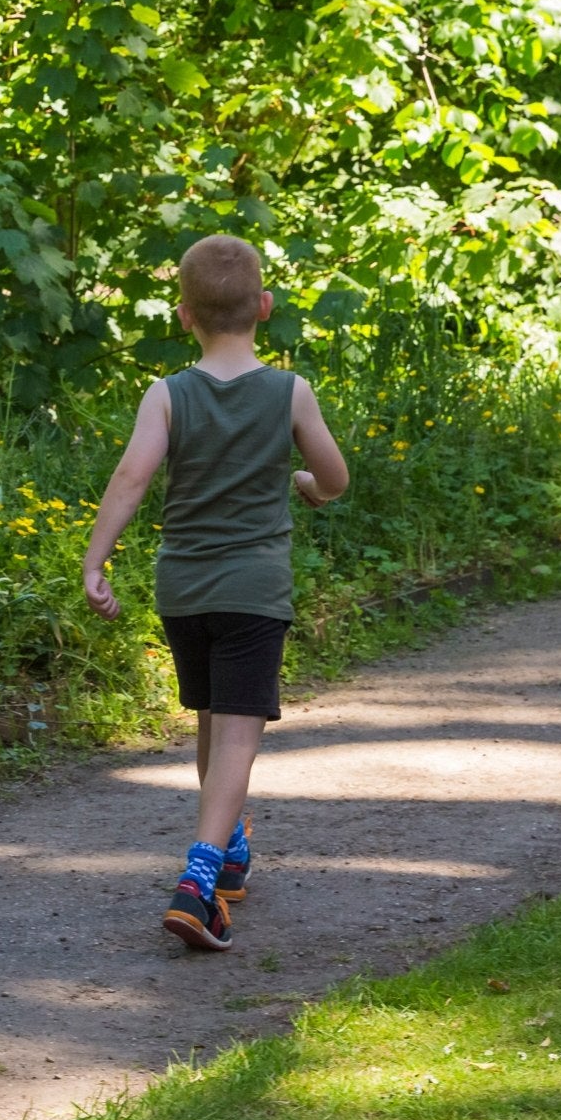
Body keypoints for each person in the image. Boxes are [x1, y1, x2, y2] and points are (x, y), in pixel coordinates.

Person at [80, 235, 351, 952]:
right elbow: (335, 477)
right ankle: (198, 883)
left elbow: (131, 479)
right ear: (264, 307)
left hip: (185, 588)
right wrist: (308, 488)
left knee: (210, 719)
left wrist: (95, 562)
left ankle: (229, 848)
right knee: (236, 734)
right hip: (254, 589)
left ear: (182, 316)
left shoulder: (167, 394)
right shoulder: (288, 391)